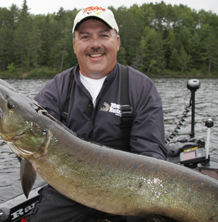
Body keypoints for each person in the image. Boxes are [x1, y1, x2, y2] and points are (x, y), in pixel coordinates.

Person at [28, 5, 167, 222]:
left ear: (117, 42)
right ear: (75, 44)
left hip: (131, 191)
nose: (95, 44)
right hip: (70, 189)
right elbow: (29, 140)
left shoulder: (141, 88)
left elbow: (151, 155)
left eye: (104, 35)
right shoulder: (56, 89)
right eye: (85, 37)